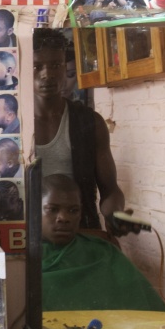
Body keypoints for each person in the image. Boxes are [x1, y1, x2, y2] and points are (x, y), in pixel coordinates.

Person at [33, 29, 128, 231]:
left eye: (56, 65)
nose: (47, 74)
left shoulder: (89, 122)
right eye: (36, 66)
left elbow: (110, 191)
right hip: (24, 237)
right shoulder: (9, 125)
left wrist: (115, 216)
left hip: (80, 233)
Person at [41, 174, 165, 311]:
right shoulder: (20, 257)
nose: (64, 218)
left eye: (73, 210)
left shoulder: (103, 252)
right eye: (52, 210)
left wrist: (114, 215)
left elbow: (147, 309)